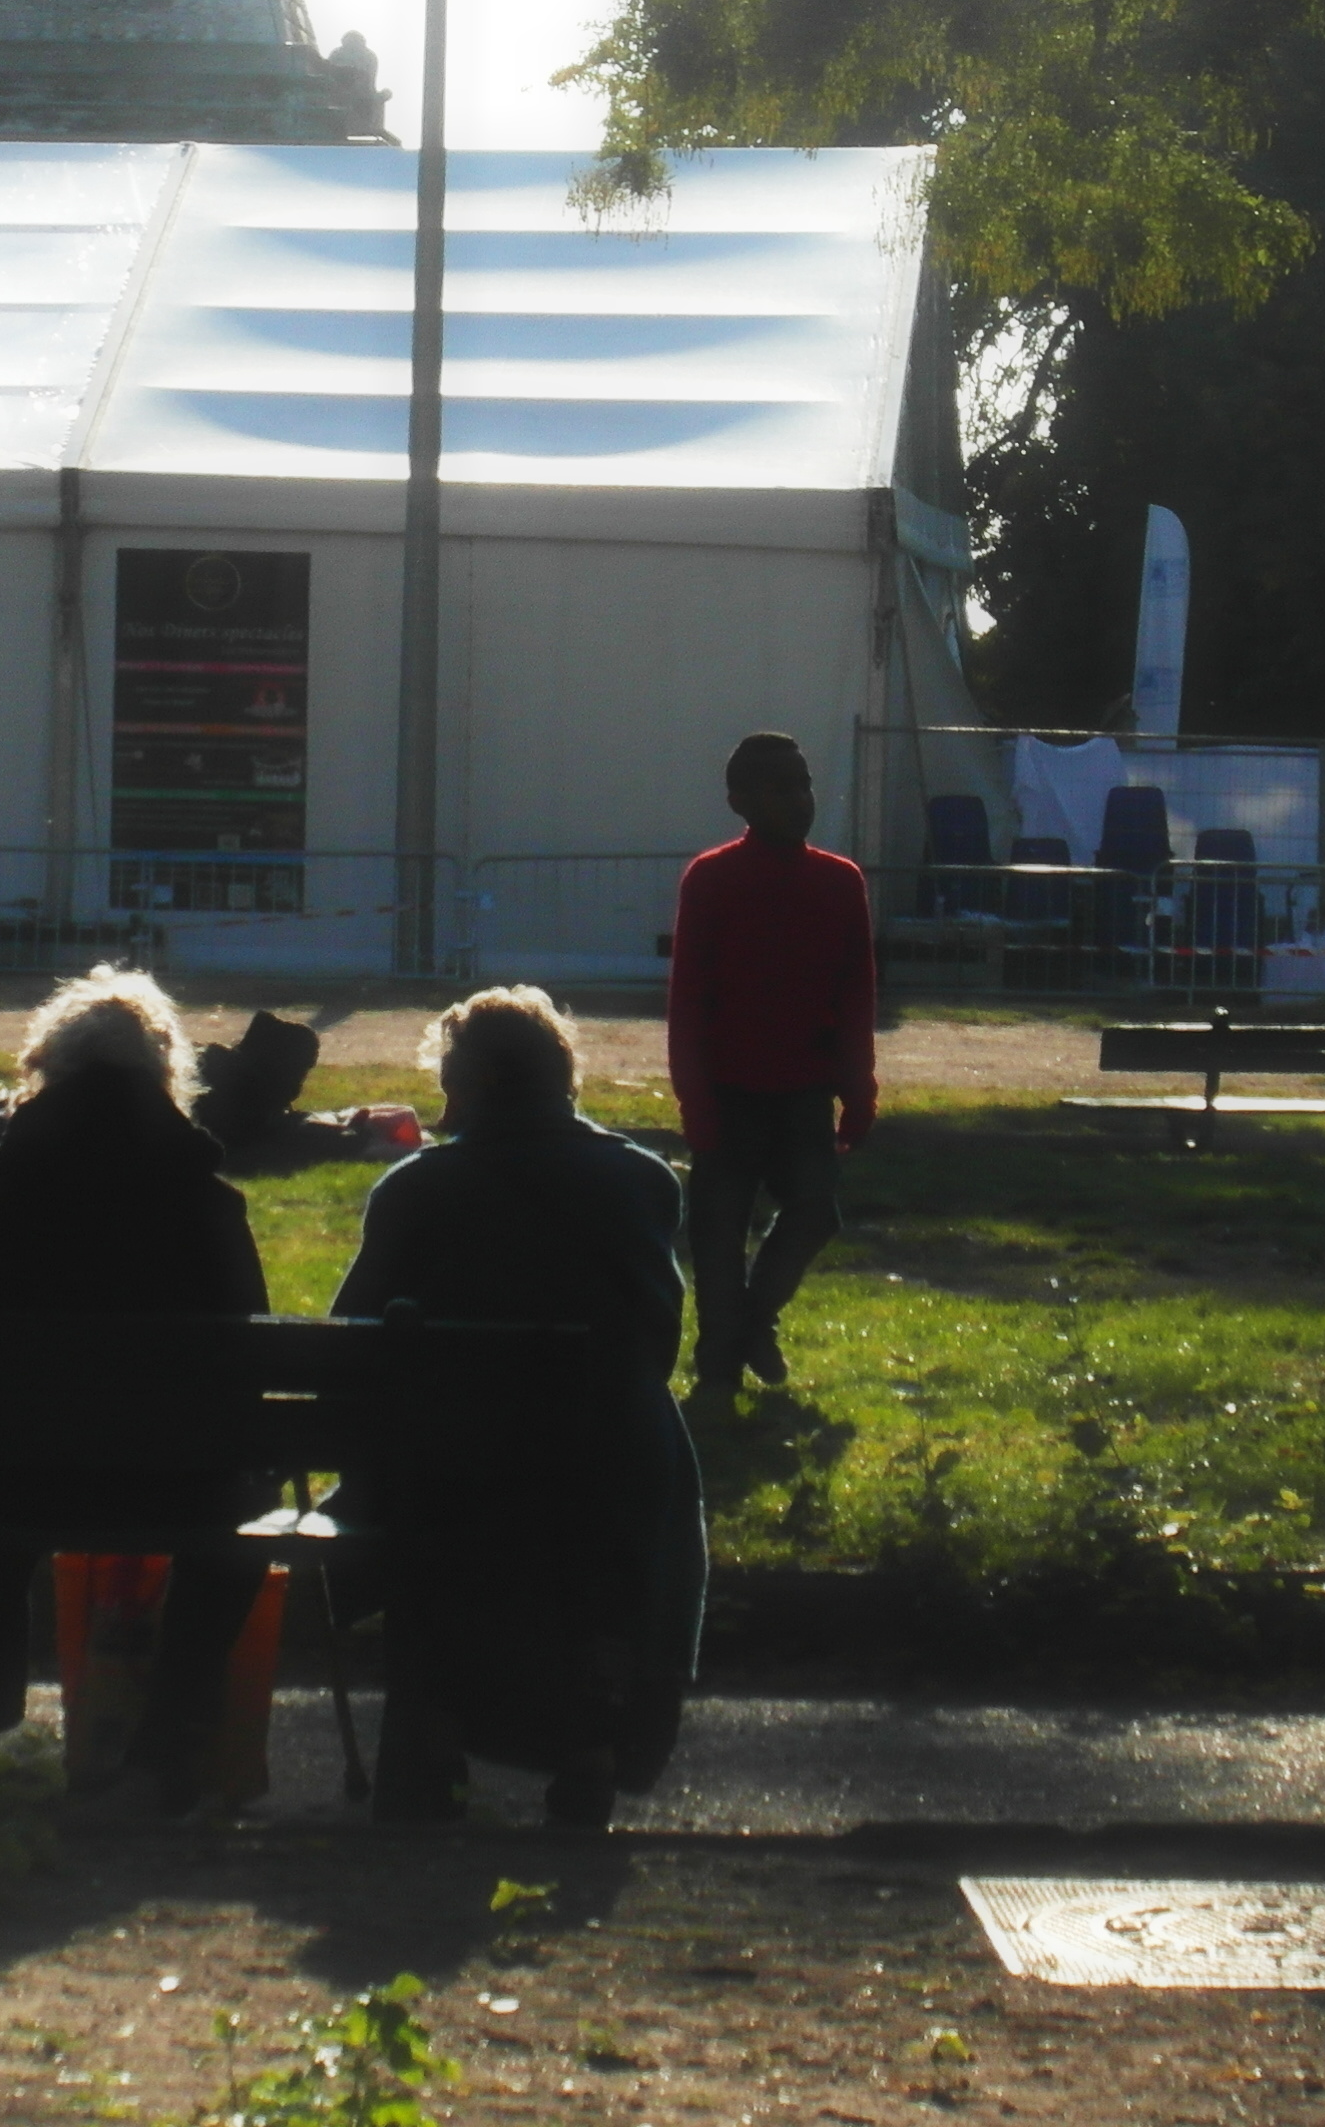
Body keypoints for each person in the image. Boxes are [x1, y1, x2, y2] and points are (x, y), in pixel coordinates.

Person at [331, 984, 706, 1833]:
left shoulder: (418, 1188)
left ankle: (437, 1731)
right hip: (603, 1464)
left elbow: (357, 1341)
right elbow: (656, 1341)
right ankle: (592, 1745)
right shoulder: (642, 1181)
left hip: (452, 1474)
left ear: (460, 1086)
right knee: (637, 1445)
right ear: (563, 1078)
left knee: (427, 1490)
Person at [0, 967, 270, 1805]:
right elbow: (249, 1356)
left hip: (9, 1476)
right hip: (175, 1484)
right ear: (164, 1076)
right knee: (238, 1532)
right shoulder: (206, 1199)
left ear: (48, 1068)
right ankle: (167, 1743)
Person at [666, 728, 877, 1404]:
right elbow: (688, 998)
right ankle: (717, 1370)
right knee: (718, 1235)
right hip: (728, 1090)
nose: (799, 799)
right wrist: (695, 1099)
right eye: (780, 787)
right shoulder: (711, 878)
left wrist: (858, 1091)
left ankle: (751, 1324)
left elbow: (856, 995)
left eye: (803, 784)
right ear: (740, 801)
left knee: (814, 1212)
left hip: (804, 1090)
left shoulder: (840, 881)